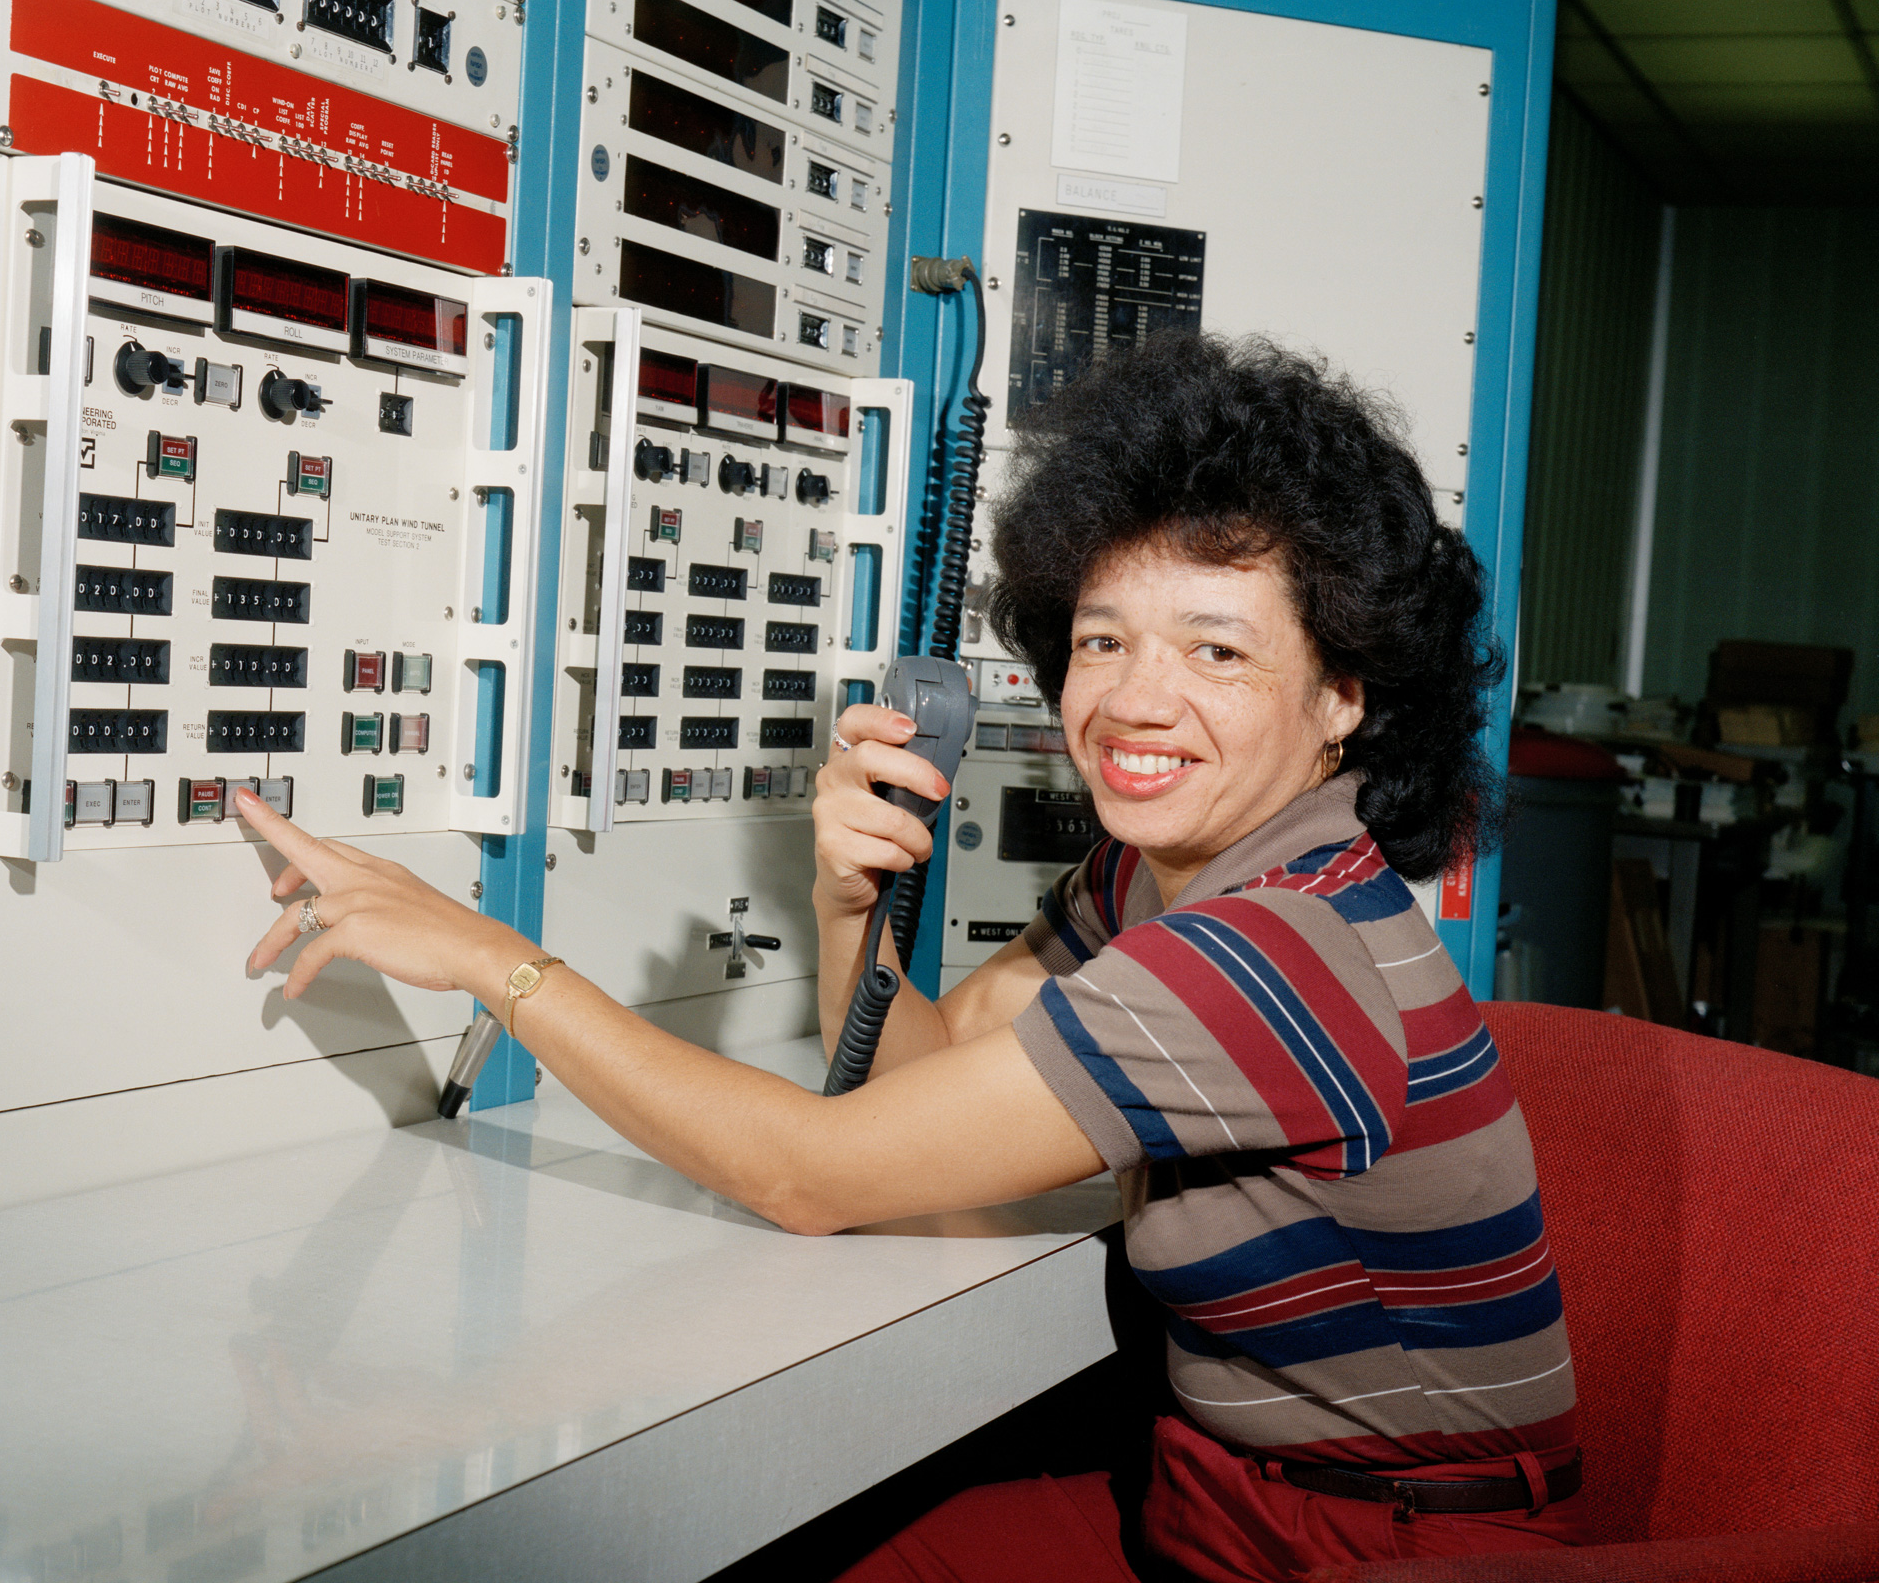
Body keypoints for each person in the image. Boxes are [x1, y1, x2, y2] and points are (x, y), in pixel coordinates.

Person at [235, 332, 1583, 1581]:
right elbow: (920, 1071)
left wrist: (493, 961)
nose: (1134, 697)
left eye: (1215, 650)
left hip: (1378, 1555)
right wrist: (846, 896)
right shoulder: (1183, 877)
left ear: (1343, 693)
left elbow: (812, 1178)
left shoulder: (1264, 956)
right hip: (1221, 1491)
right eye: (1103, 639)